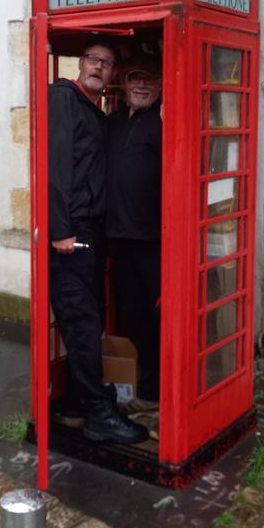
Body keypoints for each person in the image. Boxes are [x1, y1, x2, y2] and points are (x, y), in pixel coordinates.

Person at [48, 39, 149, 444]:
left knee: (89, 317)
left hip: (92, 232)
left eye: (107, 64)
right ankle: (98, 414)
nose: (99, 68)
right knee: (83, 321)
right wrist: (60, 231)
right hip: (70, 234)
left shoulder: (94, 109)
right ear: (80, 62)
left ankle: (76, 399)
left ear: (112, 75)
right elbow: (55, 165)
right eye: (93, 60)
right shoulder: (63, 99)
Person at [106, 53, 162, 411]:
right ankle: (129, 382)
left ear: (160, 85)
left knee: (157, 317)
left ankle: (154, 390)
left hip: (154, 237)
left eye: (149, 80)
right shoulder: (111, 124)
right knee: (131, 315)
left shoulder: (164, 121)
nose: (141, 85)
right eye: (135, 78)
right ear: (124, 83)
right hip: (117, 235)